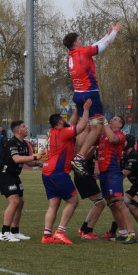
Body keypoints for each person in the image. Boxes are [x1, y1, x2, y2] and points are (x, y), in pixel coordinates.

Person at [63, 23, 122, 176]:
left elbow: (94, 46)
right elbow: (104, 46)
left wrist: (106, 35)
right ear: (76, 42)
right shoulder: (84, 52)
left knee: (86, 128)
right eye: (80, 39)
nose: (81, 41)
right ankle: (80, 158)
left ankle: (75, 156)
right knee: (96, 128)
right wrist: (114, 33)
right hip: (90, 94)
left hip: (78, 94)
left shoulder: (71, 55)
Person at [40, 100, 93, 244]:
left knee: (54, 204)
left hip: (47, 172)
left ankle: (47, 235)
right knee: (73, 201)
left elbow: (72, 122)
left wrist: (77, 110)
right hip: (58, 172)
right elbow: (81, 127)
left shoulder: (53, 132)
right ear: (59, 123)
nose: (65, 121)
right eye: (62, 120)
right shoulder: (62, 133)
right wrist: (86, 109)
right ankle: (60, 232)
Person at [97, 115, 137, 244]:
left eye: (115, 119)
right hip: (104, 173)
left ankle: (132, 234)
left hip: (113, 172)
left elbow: (113, 139)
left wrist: (106, 124)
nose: (112, 120)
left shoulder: (120, 135)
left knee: (119, 203)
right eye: (112, 119)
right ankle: (123, 233)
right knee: (112, 204)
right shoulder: (104, 135)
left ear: (120, 125)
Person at [0, 120, 37, 242]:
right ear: (18, 130)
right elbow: (17, 159)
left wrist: (37, 163)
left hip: (14, 176)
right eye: (24, 126)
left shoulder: (24, 143)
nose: (26, 128)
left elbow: (26, 161)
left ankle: (15, 231)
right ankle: (4, 232)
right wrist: (36, 156)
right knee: (14, 201)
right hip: (5, 175)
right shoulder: (12, 143)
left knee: (20, 202)